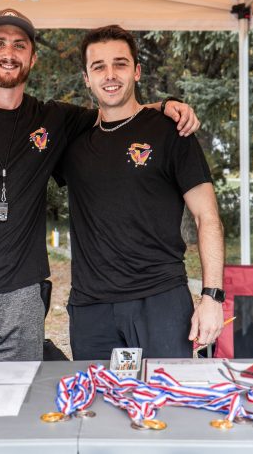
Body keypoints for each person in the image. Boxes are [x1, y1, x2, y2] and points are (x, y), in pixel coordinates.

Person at [0, 9, 199, 363]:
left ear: (32, 57)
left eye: (19, 45)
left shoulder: (54, 120)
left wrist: (165, 106)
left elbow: (118, 108)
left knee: (19, 409)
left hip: (21, 300)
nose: (8, 53)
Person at [55, 25, 225, 360]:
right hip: (91, 309)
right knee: (98, 408)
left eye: (119, 64)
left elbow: (208, 218)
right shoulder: (72, 142)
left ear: (137, 70)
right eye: (98, 67)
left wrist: (212, 297)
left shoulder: (173, 131)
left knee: (166, 407)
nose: (110, 75)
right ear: (87, 78)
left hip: (160, 302)